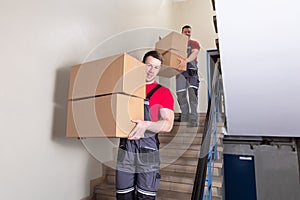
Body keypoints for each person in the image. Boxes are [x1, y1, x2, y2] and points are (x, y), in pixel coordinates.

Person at [115, 50, 174, 200]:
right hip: (125, 148)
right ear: (142, 65)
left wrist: (147, 124)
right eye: (148, 65)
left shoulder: (163, 93)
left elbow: (167, 125)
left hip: (148, 150)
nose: (151, 70)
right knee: (123, 194)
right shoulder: (127, 89)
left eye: (156, 67)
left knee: (145, 196)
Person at [176, 25, 201, 127]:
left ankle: (194, 119)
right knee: (181, 95)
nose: (187, 33)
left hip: (191, 72)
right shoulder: (177, 45)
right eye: (185, 32)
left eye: (189, 32)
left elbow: (194, 53)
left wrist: (185, 61)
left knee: (192, 96)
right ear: (182, 33)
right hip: (179, 73)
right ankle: (184, 117)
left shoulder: (194, 43)